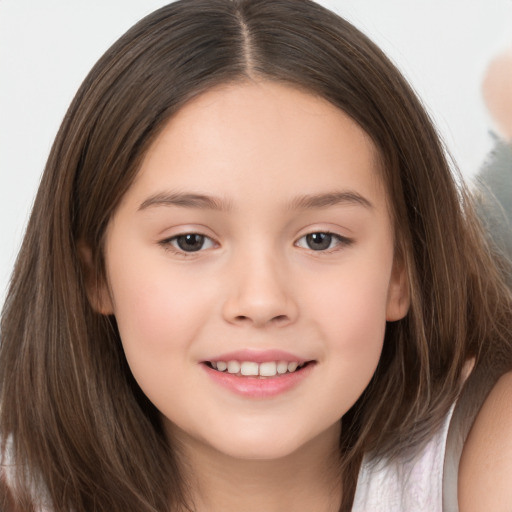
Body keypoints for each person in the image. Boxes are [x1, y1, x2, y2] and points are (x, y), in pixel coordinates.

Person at [1, 1, 511, 511]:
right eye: (190, 241)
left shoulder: (487, 449)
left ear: (400, 273)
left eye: (320, 239)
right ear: (96, 276)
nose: (262, 301)